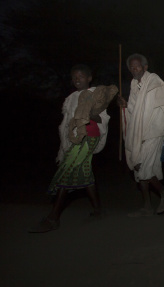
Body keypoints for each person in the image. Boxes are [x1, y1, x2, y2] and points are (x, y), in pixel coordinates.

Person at [29, 64, 117, 233]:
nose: (77, 80)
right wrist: (64, 144)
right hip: (75, 139)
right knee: (83, 171)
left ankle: (53, 217)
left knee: (68, 169)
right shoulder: (70, 99)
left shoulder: (96, 94)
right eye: (74, 77)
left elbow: (103, 118)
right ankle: (98, 210)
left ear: (89, 78)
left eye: (81, 76)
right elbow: (67, 123)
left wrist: (91, 115)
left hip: (89, 137)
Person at [117, 54, 164, 216]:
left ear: (145, 67)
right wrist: (125, 105)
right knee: (139, 171)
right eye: (131, 67)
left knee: (144, 169)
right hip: (139, 133)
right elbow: (134, 111)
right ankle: (147, 207)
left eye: (137, 66)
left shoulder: (155, 84)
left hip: (154, 131)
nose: (133, 69)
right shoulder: (135, 84)